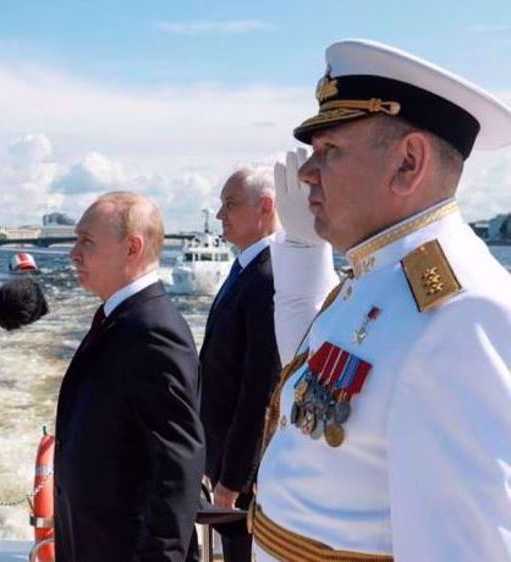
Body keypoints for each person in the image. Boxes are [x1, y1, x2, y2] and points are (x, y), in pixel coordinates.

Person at [253, 39, 511, 561]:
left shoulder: (459, 314)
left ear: (407, 164)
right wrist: (303, 248)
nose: (306, 174)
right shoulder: (378, 277)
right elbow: (316, 386)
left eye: (330, 151)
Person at [55, 191, 205, 561]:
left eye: (86, 241)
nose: (74, 253)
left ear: (131, 248)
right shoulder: (121, 319)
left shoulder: (152, 330)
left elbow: (178, 460)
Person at [194, 168, 282, 562]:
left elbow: (259, 388)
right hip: (222, 457)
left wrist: (233, 479)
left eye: (230, 204)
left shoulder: (267, 276)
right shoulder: (247, 268)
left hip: (242, 476)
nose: (219, 215)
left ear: (265, 207)